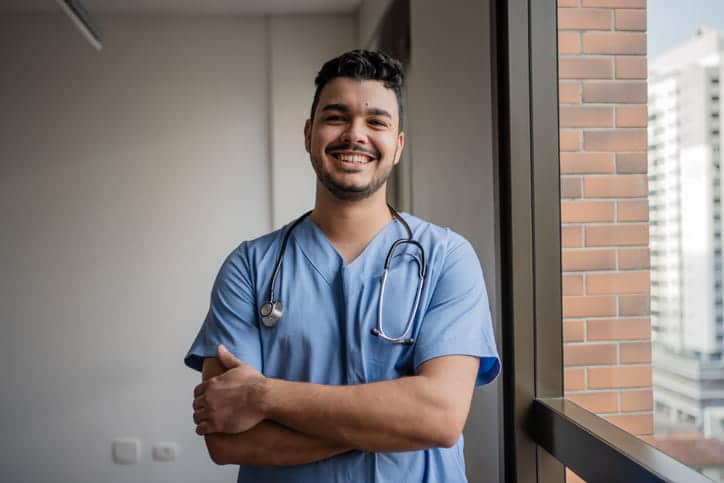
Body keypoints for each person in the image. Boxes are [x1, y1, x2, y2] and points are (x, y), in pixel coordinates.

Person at [184, 49, 500, 482]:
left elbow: (440, 419)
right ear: (310, 133)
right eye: (337, 117)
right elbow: (227, 440)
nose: (355, 134)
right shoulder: (250, 267)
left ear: (398, 145)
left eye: (376, 122)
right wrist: (392, 421)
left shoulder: (446, 258)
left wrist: (263, 396)